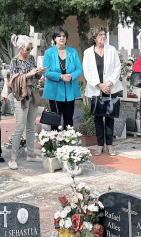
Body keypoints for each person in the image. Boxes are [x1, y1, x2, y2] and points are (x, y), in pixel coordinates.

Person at [82, 25, 122, 156]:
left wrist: (109, 83)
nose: (103, 37)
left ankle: (109, 145)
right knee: (97, 118)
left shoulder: (112, 50)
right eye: (100, 35)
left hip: (111, 88)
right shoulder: (88, 52)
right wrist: (99, 85)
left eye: (104, 34)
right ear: (94, 37)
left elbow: (117, 68)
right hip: (95, 89)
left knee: (110, 117)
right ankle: (100, 145)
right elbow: (87, 72)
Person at [8, 34, 45, 170]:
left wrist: (39, 73)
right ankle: (13, 158)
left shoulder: (32, 58)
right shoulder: (14, 61)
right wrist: (29, 74)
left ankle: (31, 153)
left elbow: (34, 75)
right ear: (21, 49)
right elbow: (13, 80)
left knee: (31, 126)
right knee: (19, 127)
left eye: (31, 48)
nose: (30, 51)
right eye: (28, 49)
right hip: (21, 96)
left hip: (33, 94)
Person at [42, 27, 82, 130]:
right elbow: (46, 72)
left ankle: (69, 143)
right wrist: (60, 76)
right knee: (55, 119)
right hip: (54, 90)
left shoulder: (72, 52)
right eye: (59, 36)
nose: (61, 38)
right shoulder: (48, 52)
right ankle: (55, 143)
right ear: (54, 38)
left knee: (69, 118)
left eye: (64, 36)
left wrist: (71, 76)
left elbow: (79, 69)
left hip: (69, 89)